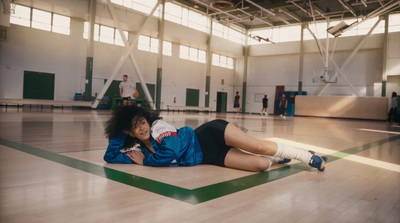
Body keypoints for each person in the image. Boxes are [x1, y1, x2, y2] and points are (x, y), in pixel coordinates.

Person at [103, 105, 327, 172]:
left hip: (209, 134)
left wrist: (146, 161)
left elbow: (170, 153)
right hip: (209, 156)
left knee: (258, 145)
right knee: (260, 164)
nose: (141, 127)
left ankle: (305, 156)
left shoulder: (159, 128)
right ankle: (280, 158)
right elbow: (110, 157)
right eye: (134, 127)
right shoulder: (142, 151)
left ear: (149, 120)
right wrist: (119, 134)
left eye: (142, 121)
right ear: (129, 133)